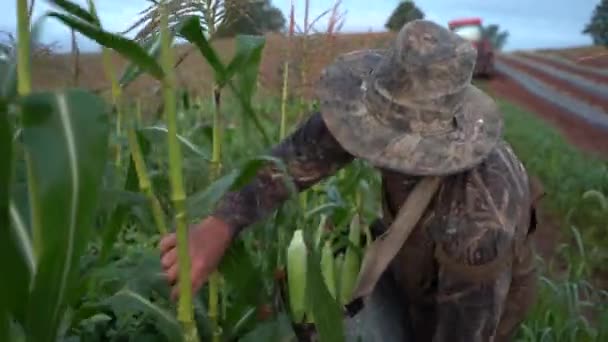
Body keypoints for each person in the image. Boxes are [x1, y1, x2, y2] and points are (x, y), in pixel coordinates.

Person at [159, 20, 544, 341]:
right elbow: (303, 154)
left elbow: (464, 329)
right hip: (418, 246)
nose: (369, 146)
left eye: (388, 141)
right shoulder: (389, 104)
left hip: (476, 299)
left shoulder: (480, 223)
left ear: (433, 149)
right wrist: (221, 224)